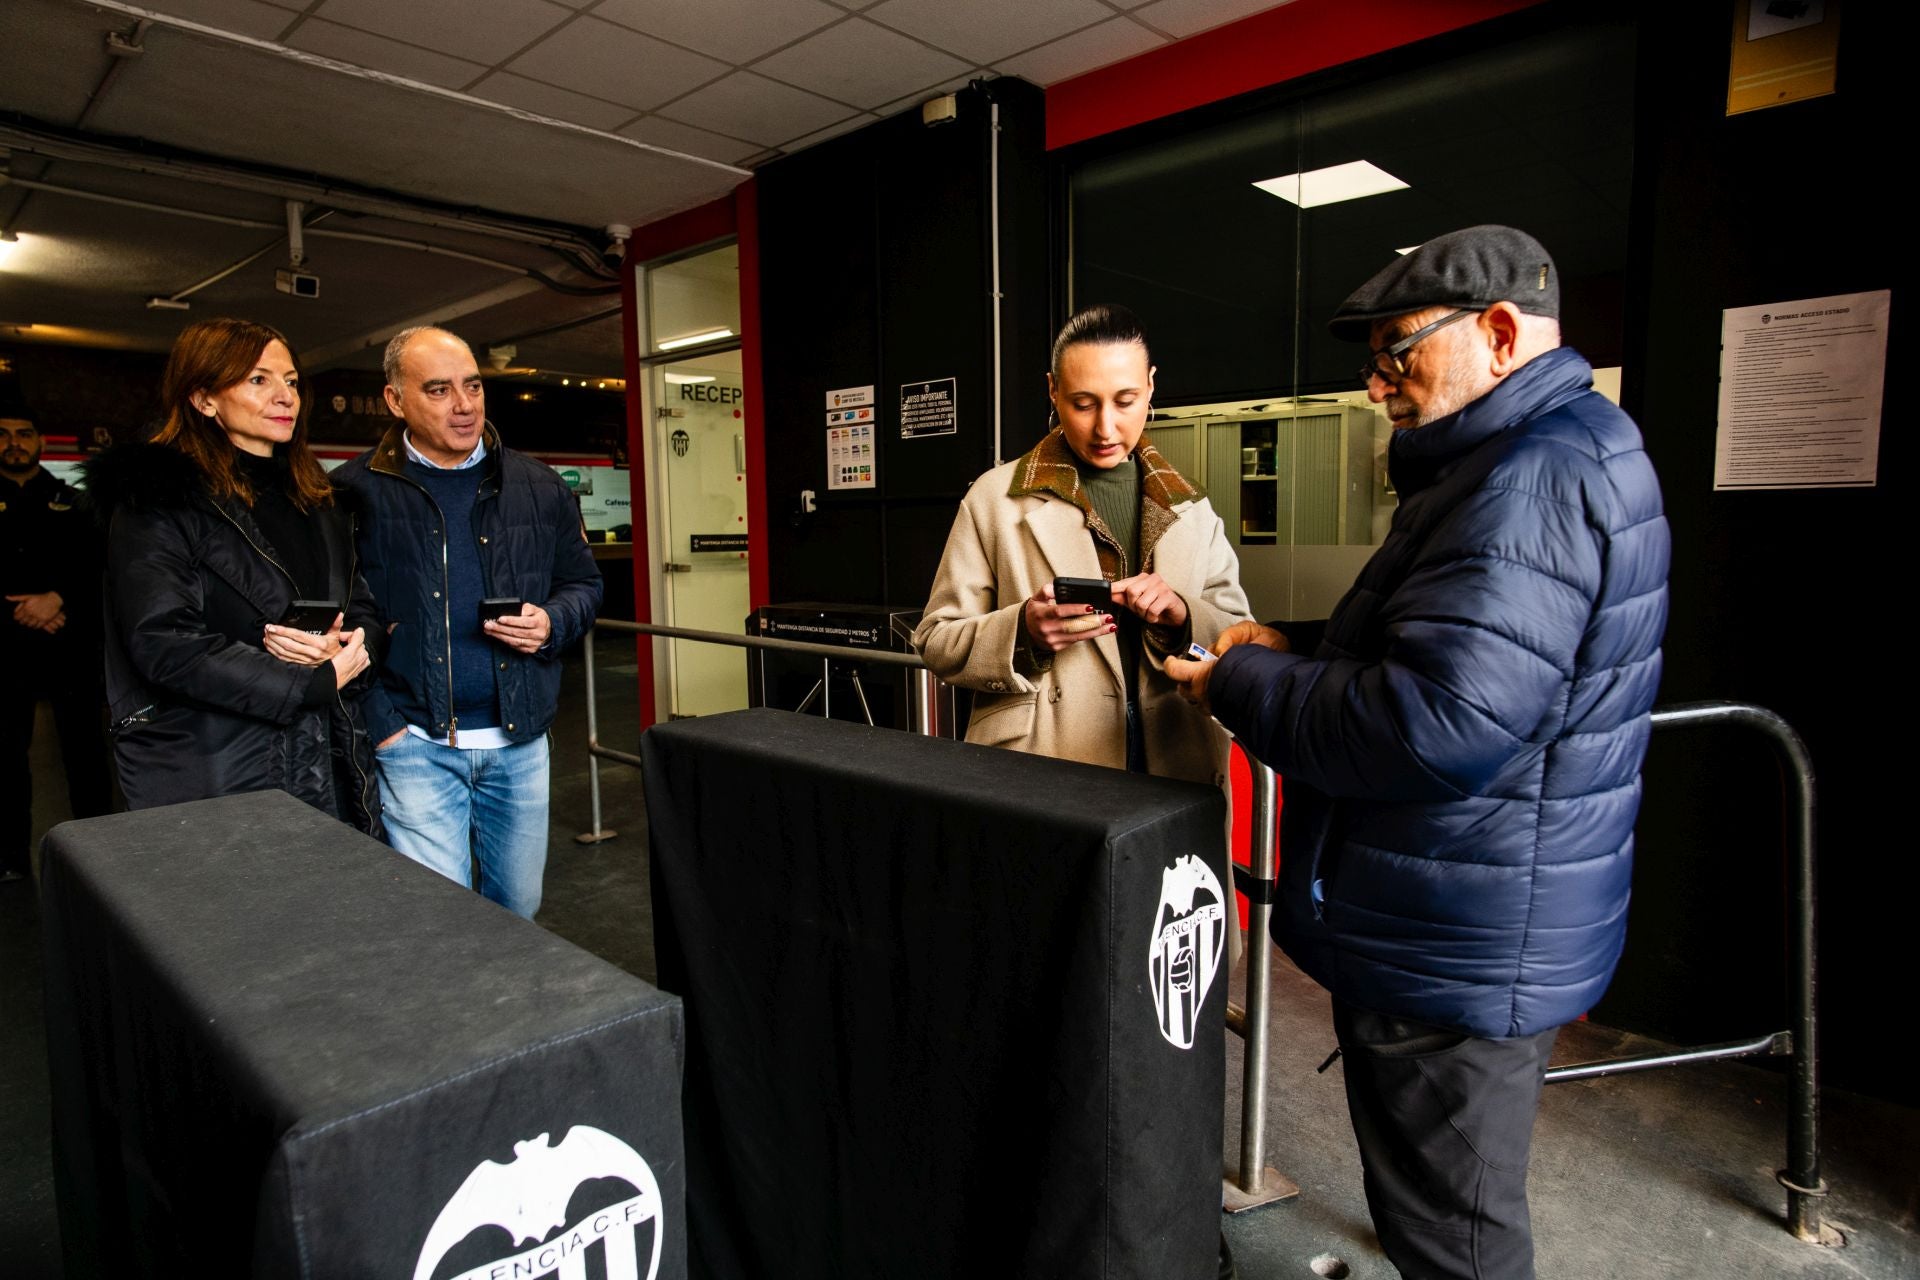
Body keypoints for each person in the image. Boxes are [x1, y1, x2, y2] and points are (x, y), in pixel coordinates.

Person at [1168, 226, 1670, 1280]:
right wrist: (1294, 645)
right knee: (1445, 1214)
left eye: (1399, 348)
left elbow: (1432, 724)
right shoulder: (1541, 452)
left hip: (1459, 934)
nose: (1376, 380)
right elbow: (1455, 661)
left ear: (1495, 333)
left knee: (1458, 1239)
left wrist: (1237, 681)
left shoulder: (1529, 478)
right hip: (1470, 908)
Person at [912, 303, 1250, 786]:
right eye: (1084, 403)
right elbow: (936, 640)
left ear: (1151, 385)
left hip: (1178, 753)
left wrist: (1183, 616)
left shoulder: (1189, 505)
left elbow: (1241, 633)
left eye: (1126, 400)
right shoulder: (995, 498)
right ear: (1053, 390)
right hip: (1045, 756)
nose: (1106, 428)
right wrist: (1023, 633)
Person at [332, 326, 602, 920]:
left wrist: (552, 621)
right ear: (395, 400)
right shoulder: (353, 492)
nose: (463, 405)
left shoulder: (539, 486)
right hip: (414, 744)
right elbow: (345, 618)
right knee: (442, 923)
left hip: (520, 741)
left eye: (473, 386)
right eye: (438, 390)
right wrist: (385, 729)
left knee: (518, 913)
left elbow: (584, 584)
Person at [87, 318, 382, 832]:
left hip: (330, 749)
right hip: (216, 762)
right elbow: (162, 641)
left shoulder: (324, 501)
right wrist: (303, 681)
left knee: (332, 905)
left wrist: (356, 647)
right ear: (203, 399)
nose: (284, 396)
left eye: (291, 381)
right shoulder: (157, 499)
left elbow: (361, 606)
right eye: (258, 380)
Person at [0, 404, 112, 882]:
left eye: (24, 433)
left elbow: (101, 567)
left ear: (41, 442)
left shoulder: (74, 499)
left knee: (86, 756)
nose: (14, 442)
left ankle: (103, 857)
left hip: (70, 649)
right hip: (5, 652)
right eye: (2, 435)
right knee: (4, 758)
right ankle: (9, 863)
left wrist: (56, 598)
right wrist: (19, 609)